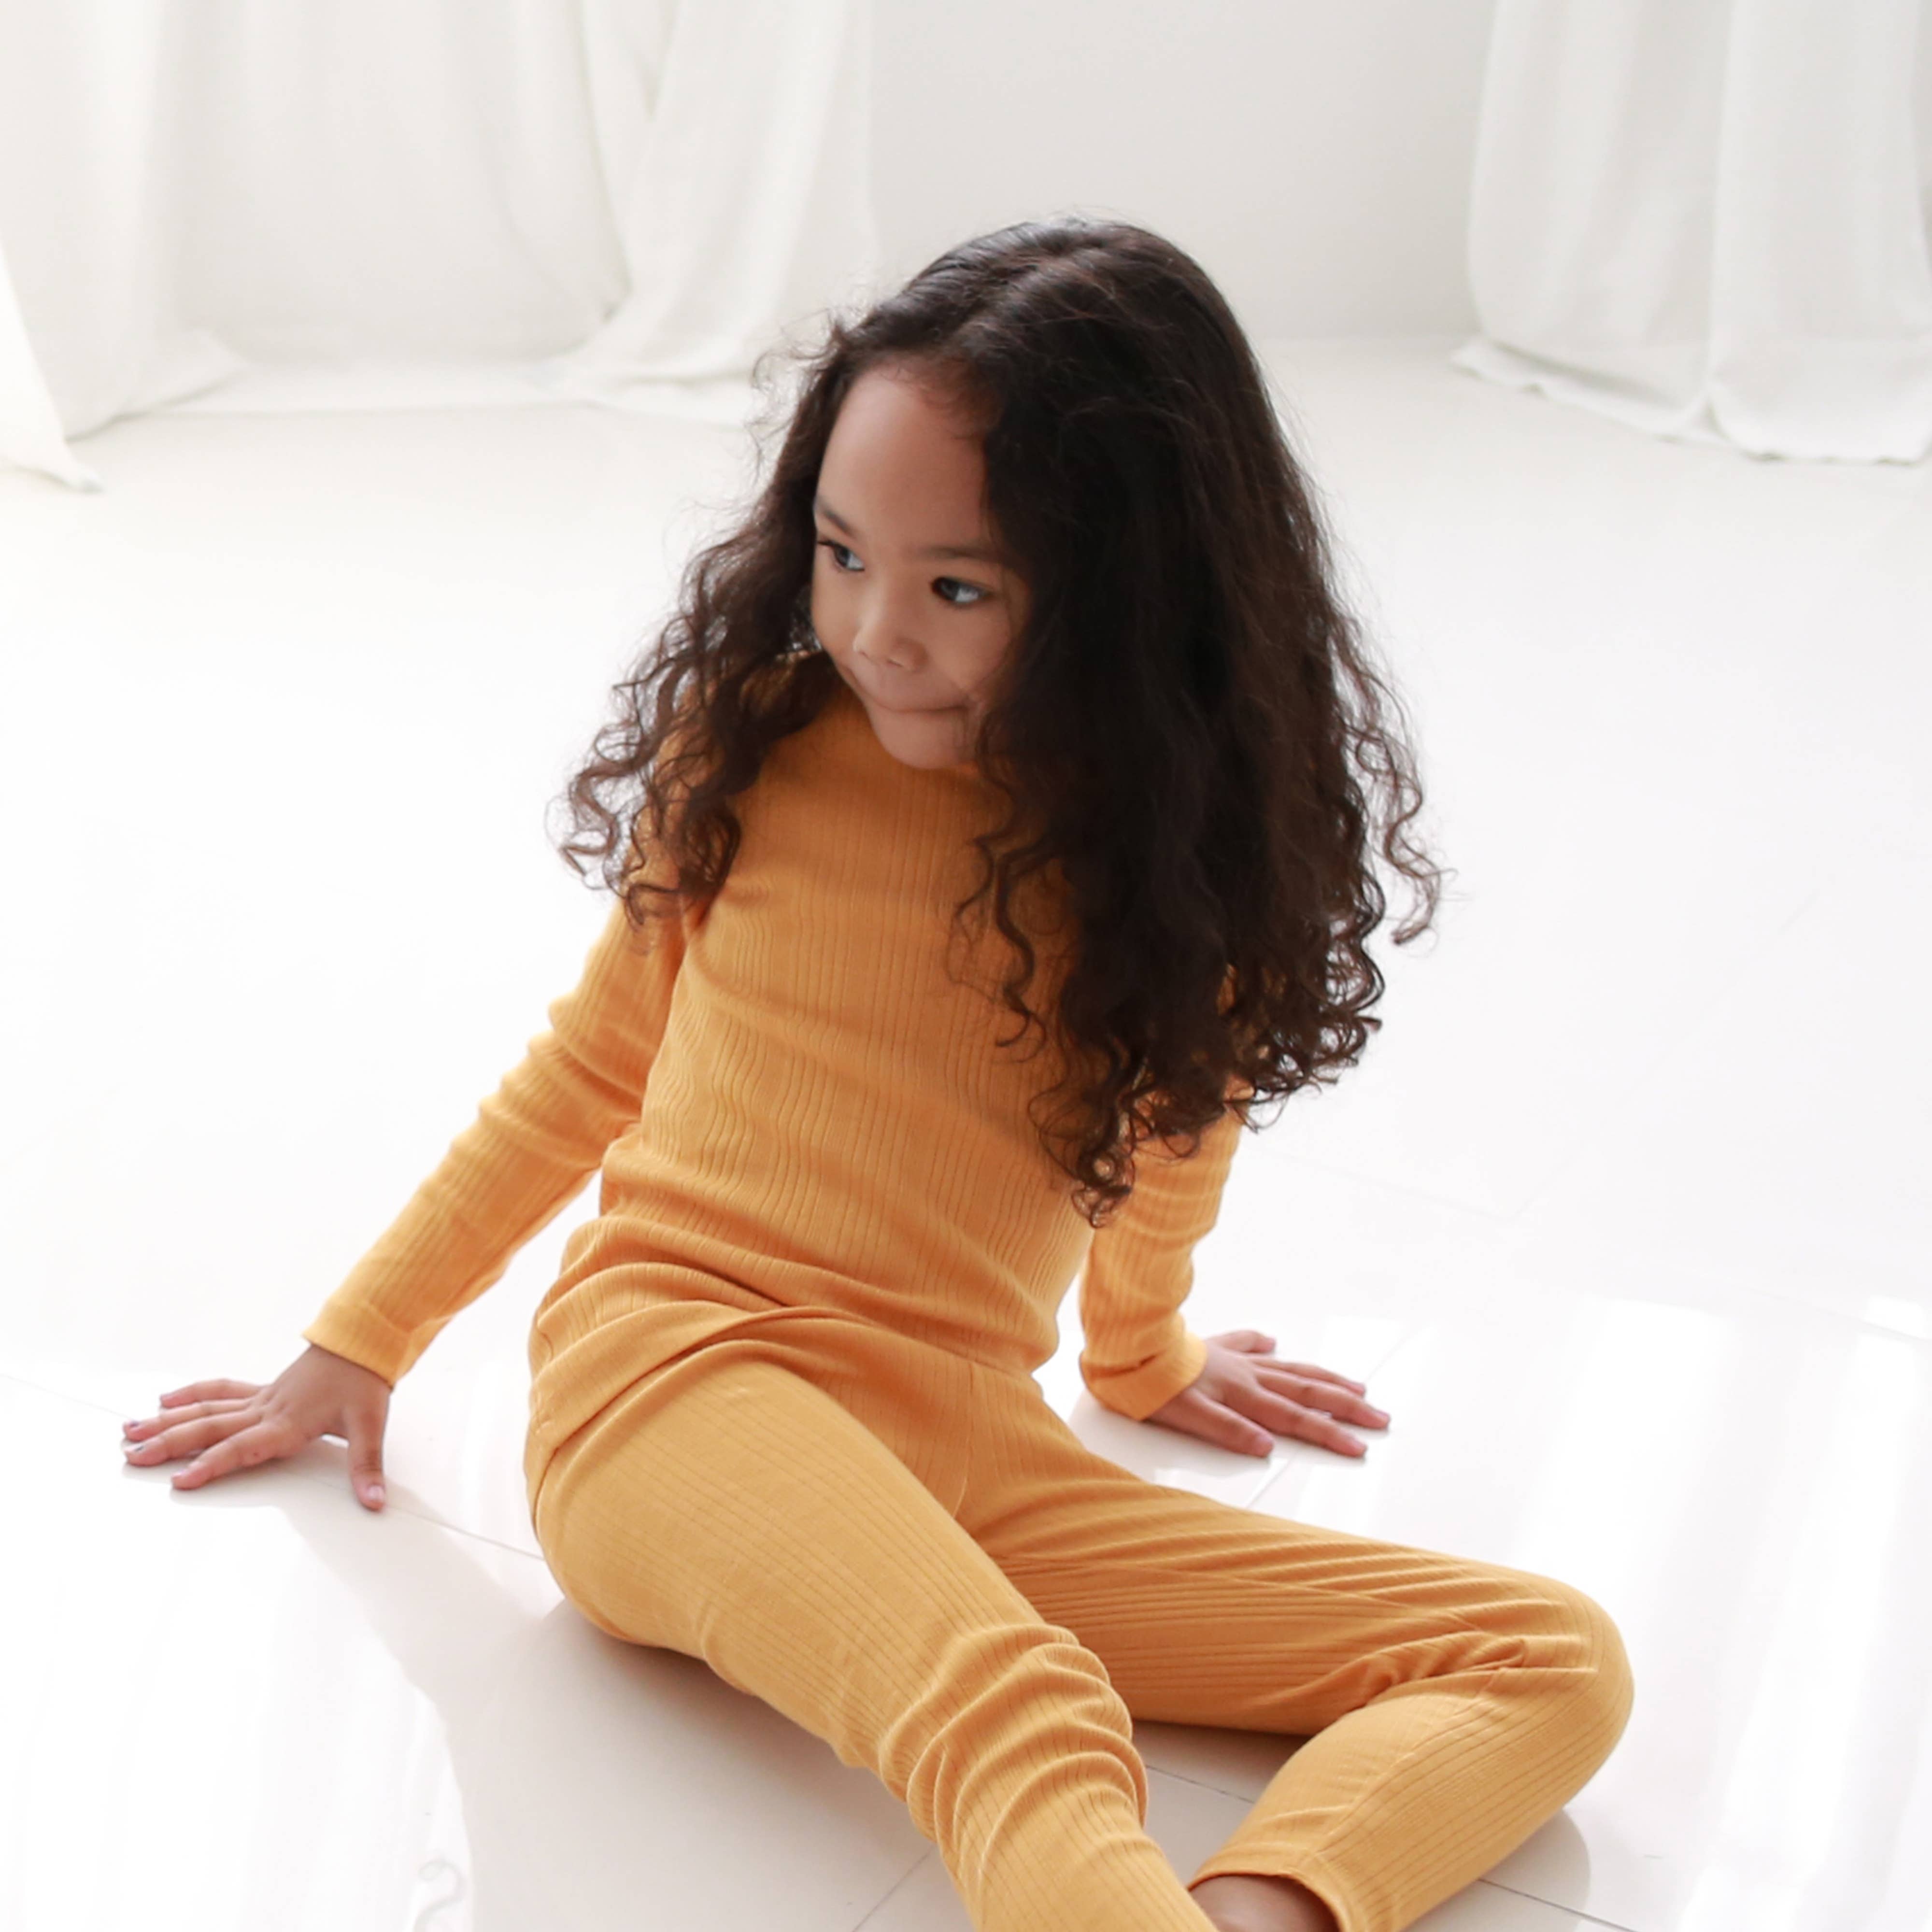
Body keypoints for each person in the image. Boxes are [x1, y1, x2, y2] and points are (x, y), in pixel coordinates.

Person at [118, 218, 1634, 1932]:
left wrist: (1144, 1360)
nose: (874, 631)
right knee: (1021, 1717)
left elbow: (1171, 1151)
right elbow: (595, 1063)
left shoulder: (1179, 870)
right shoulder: (760, 749)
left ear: (1132, 603)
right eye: (841, 555)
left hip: (959, 1446)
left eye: (956, 588)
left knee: (1546, 1654)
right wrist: (360, 1341)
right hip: (671, 1389)